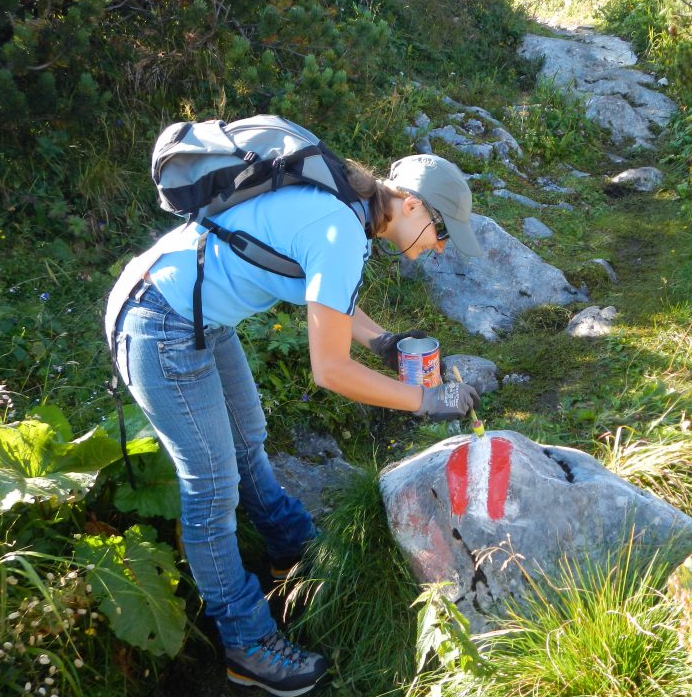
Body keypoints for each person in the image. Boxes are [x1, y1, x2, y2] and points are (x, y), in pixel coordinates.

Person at [105, 152, 483, 697]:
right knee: (211, 489)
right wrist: (425, 401)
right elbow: (330, 371)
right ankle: (246, 644)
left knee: (248, 447)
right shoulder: (341, 229)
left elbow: (318, 290)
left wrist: (382, 341)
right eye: (441, 229)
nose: (441, 244)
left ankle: (294, 555)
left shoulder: (346, 210)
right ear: (412, 203)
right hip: (157, 321)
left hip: (195, 317)